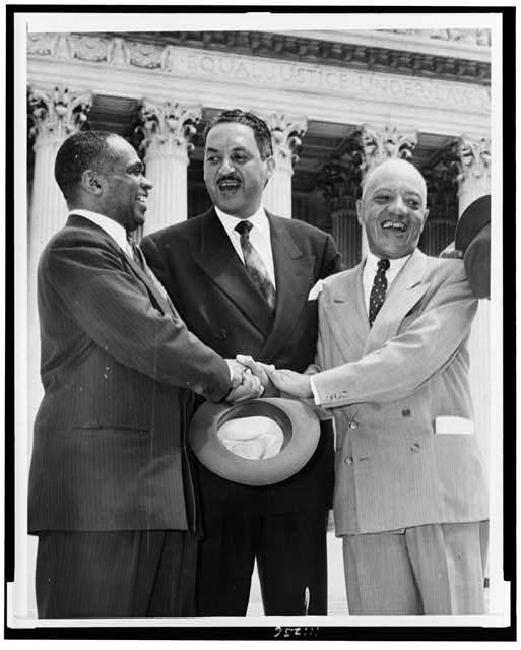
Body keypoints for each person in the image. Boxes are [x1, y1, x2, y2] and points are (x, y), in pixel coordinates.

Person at [27, 130, 261, 619]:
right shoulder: (76, 249)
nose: (148, 181)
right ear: (93, 182)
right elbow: (150, 337)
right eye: (133, 170)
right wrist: (226, 375)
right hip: (102, 502)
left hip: (157, 498)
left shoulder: (131, 256)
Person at [252, 158, 489, 615]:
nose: (397, 210)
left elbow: (410, 360)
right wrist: (266, 385)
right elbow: (323, 385)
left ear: (425, 215)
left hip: (439, 491)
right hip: (366, 497)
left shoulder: (453, 278)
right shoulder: (331, 291)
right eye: (383, 198)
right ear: (360, 208)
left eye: (413, 202)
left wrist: (311, 386)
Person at [140, 109, 343, 616]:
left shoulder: (315, 246)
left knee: (298, 626)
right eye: (212, 158)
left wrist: (319, 378)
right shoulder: (166, 250)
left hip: (298, 468)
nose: (224, 168)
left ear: (269, 162)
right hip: (215, 469)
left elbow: (338, 343)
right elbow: (163, 352)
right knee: (213, 620)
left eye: (238, 155)